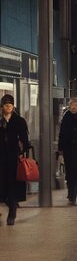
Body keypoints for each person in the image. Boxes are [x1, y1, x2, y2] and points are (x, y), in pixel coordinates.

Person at [0, 94, 29, 225]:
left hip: (13, 157)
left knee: (11, 184)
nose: (8, 107)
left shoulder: (19, 121)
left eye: (10, 105)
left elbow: (24, 139)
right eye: (6, 105)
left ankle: (12, 212)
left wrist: (22, 152)